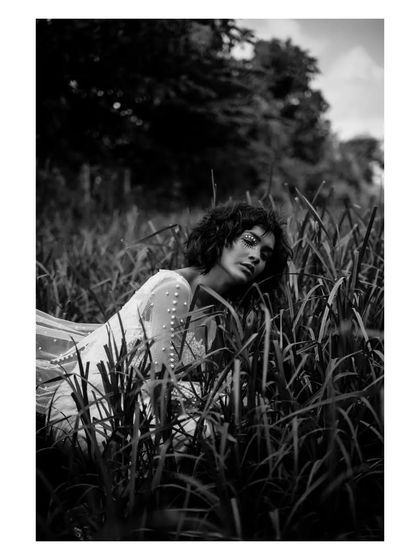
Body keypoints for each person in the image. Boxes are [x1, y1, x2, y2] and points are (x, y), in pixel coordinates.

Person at [36, 202, 291, 452]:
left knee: (247, 407)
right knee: (206, 429)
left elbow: (199, 386)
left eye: (265, 255)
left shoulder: (217, 316)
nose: (255, 256)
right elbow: (157, 385)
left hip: (139, 404)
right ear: (222, 235)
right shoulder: (175, 287)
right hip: (90, 408)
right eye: (249, 241)